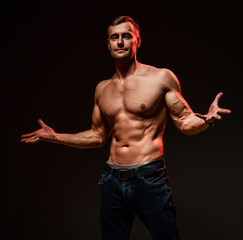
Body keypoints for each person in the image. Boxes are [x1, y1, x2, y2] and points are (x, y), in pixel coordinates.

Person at [21, 16, 231, 240]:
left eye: (126, 36)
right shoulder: (102, 89)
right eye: (115, 37)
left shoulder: (160, 78)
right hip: (110, 181)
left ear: (137, 41)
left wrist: (207, 119)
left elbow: (185, 122)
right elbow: (98, 136)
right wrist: (54, 137)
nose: (120, 41)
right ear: (109, 44)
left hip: (148, 179)